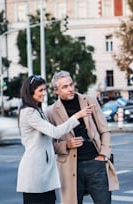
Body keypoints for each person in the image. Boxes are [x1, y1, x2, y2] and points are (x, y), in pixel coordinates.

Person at [16, 75, 94, 204]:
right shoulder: (29, 113)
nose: (44, 93)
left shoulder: (37, 111)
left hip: (43, 171)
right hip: (35, 171)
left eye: (44, 89)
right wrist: (77, 116)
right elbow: (55, 132)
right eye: (40, 90)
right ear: (30, 93)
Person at [46, 70, 119, 204]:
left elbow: (105, 130)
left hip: (95, 162)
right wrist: (66, 145)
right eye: (65, 87)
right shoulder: (50, 112)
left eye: (71, 85)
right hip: (69, 167)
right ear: (56, 91)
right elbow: (49, 144)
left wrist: (103, 155)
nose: (70, 89)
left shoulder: (89, 101)